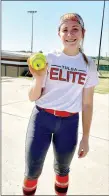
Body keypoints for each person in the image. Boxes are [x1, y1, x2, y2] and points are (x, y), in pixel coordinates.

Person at [22, 13, 99, 196]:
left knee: (63, 171)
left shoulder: (89, 65)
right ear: (59, 33)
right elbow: (32, 96)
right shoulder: (48, 58)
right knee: (32, 171)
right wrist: (39, 78)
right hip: (42, 119)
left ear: (83, 32)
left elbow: (87, 104)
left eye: (75, 29)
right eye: (65, 30)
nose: (70, 34)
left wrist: (86, 137)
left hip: (69, 124)